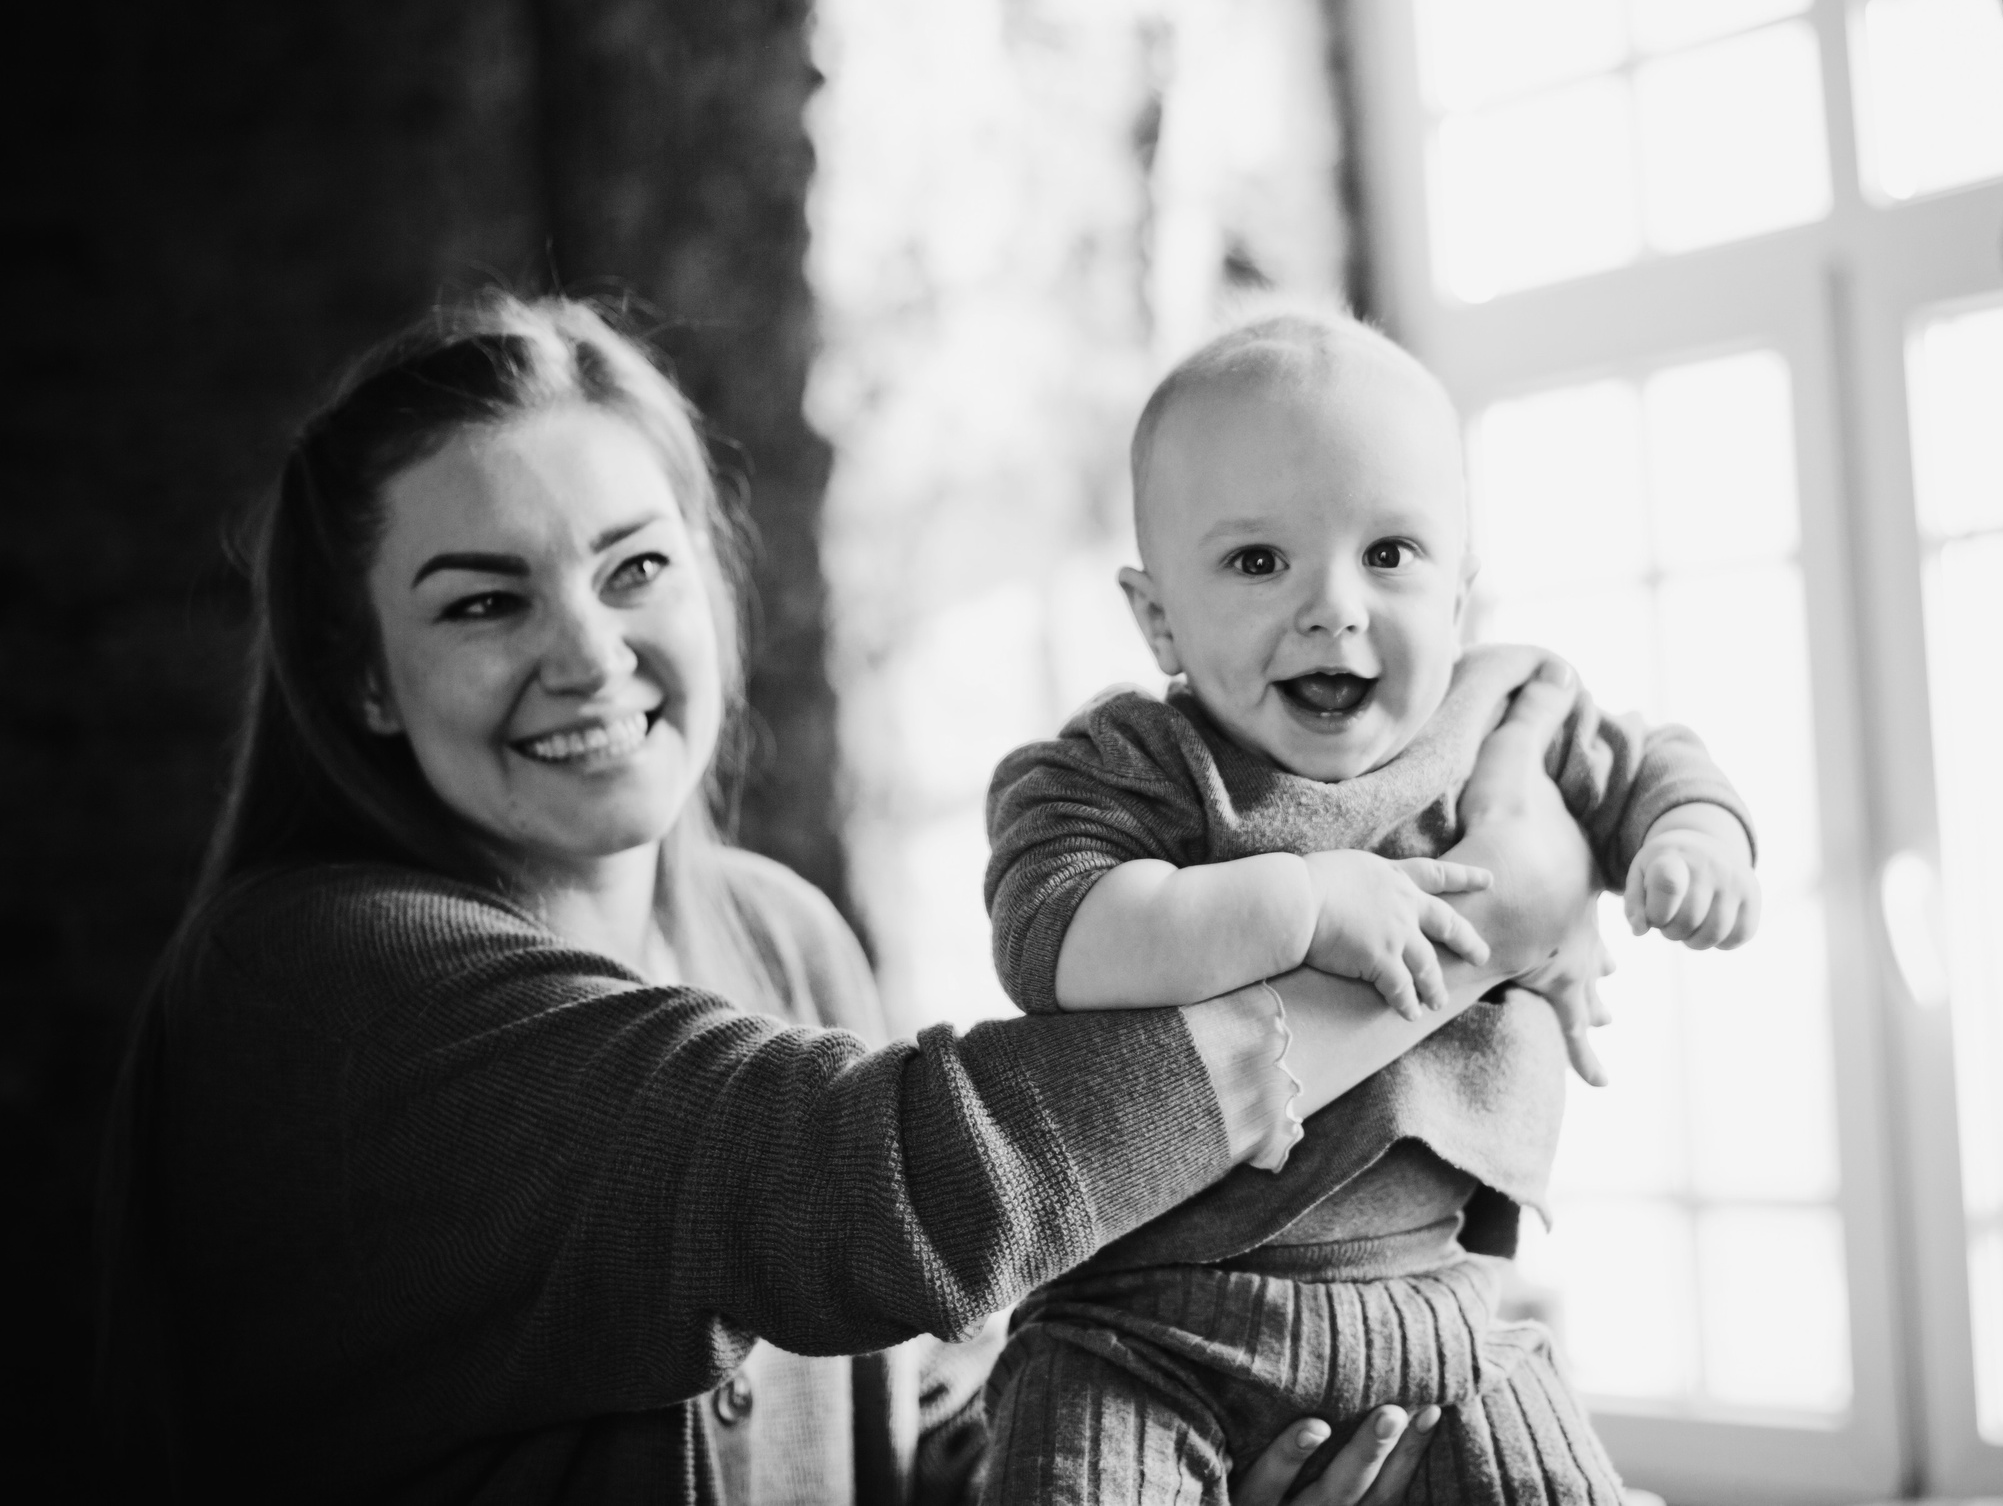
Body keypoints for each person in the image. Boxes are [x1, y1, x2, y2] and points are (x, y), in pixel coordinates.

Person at [95, 293, 1611, 1506]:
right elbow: (893, 1186)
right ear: (363, 670)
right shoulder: (315, 984)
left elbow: (931, 1420)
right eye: (486, 600)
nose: (586, 653)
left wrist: (1203, 1440)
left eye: (636, 569)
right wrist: (1485, 920)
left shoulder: (780, 932)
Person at [974, 311, 1763, 1503]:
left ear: (1460, 596)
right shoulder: (1136, 765)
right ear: (1158, 620)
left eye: (1389, 553)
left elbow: (1650, 762)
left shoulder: (1502, 721)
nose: (1333, 606)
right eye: (1256, 563)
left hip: (1439, 1323)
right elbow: (1056, 934)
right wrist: (1299, 902)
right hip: (1141, 1335)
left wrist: (1692, 837)